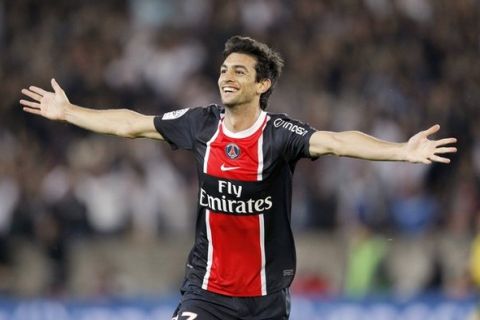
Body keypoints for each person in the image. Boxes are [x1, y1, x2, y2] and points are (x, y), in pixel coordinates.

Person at [20, 36, 457, 320]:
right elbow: (133, 123)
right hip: (205, 292)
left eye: (239, 71)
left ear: (263, 84)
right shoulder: (200, 124)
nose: (226, 77)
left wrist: (401, 150)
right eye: (224, 69)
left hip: (266, 299)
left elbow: (339, 141)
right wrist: (69, 112)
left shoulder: (279, 135)